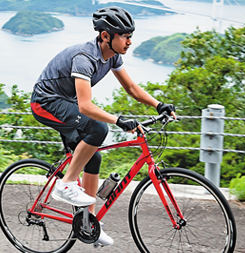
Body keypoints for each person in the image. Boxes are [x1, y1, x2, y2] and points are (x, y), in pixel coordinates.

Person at [30, 6, 176, 247]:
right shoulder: (84, 58)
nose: (129, 41)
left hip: (67, 103)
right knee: (98, 129)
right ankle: (65, 184)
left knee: (94, 158)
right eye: (125, 36)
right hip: (46, 103)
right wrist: (119, 120)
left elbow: (131, 89)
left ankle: (88, 224)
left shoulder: (113, 56)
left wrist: (158, 104)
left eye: (131, 35)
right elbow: (86, 106)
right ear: (106, 36)